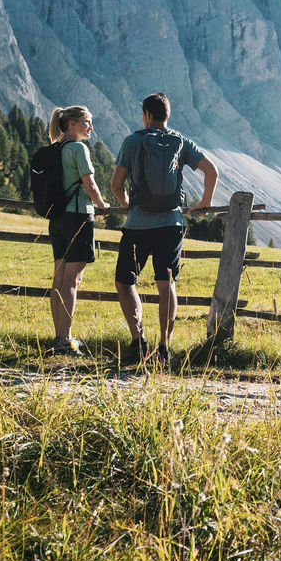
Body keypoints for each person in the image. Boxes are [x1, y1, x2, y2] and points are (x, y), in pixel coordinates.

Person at [112, 92, 218, 364]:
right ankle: (164, 347)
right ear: (167, 115)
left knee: (125, 282)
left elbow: (116, 184)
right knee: (166, 283)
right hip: (171, 224)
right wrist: (204, 203)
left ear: (146, 115)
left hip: (138, 225)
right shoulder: (180, 141)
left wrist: (127, 205)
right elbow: (212, 171)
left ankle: (138, 343)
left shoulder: (133, 141)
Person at [45, 105, 110, 354]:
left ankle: (58, 337)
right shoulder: (78, 148)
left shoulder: (57, 148)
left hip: (58, 218)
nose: (91, 127)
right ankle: (66, 339)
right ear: (72, 124)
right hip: (78, 215)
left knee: (59, 279)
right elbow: (89, 183)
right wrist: (102, 204)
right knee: (73, 280)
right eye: (87, 121)